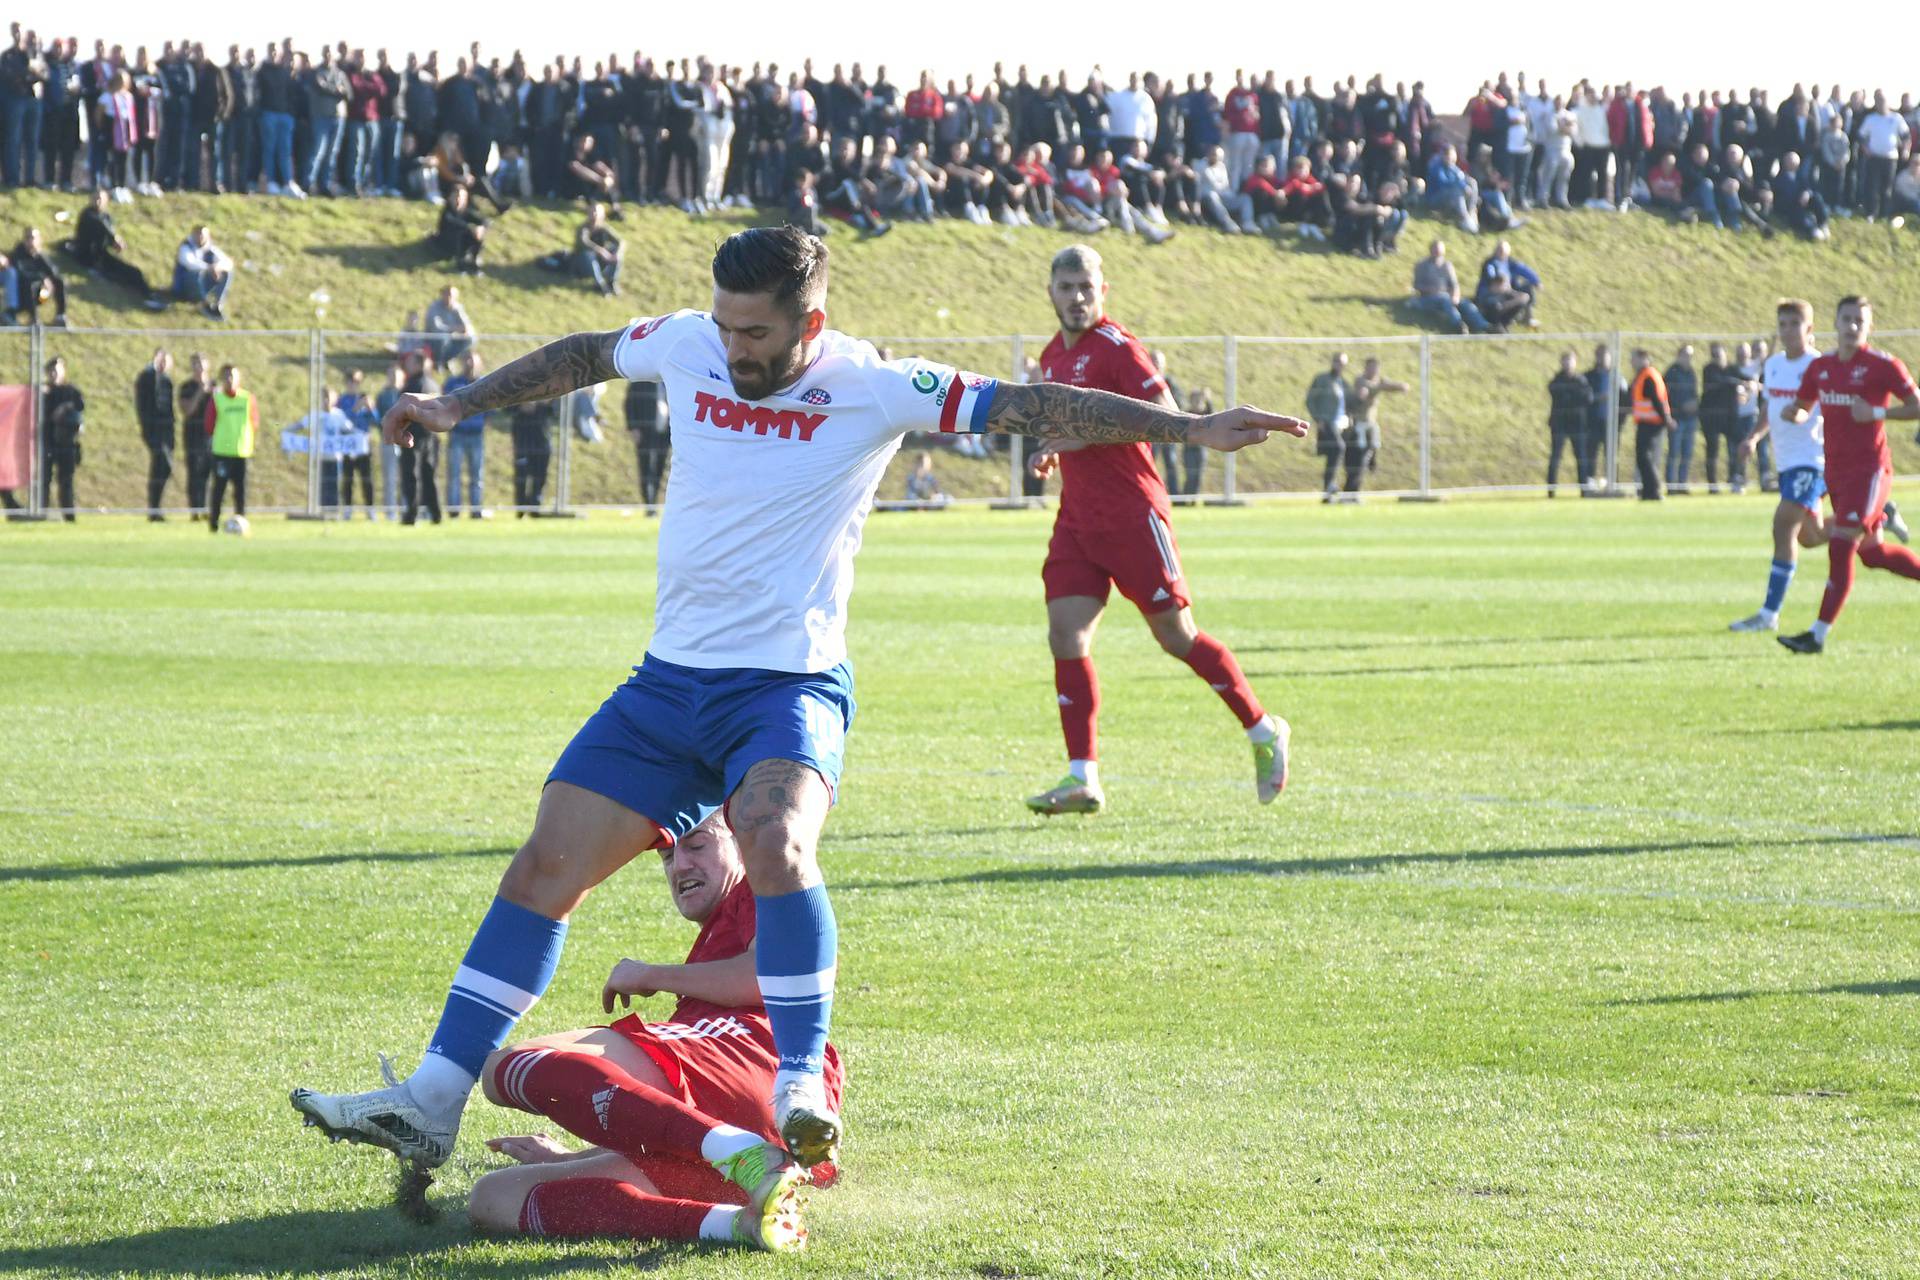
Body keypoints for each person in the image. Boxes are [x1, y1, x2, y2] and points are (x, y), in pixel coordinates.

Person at [290, 225, 1301, 1177]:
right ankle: (430, 1098)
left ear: (808, 323)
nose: (733, 347)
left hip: (785, 686)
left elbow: (1030, 403)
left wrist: (1186, 428)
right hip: (668, 681)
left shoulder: (870, 383)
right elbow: (587, 353)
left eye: (757, 331)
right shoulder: (689, 343)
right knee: (546, 862)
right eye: (725, 324)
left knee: (774, 837)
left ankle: (799, 1079)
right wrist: (457, 404)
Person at [468, 813, 827, 1253]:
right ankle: (737, 1223)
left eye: (696, 845)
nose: (680, 866)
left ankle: (744, 1155)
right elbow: (666, 1121)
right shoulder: (718, 932)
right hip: (745, 1121)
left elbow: (763, 976)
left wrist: (649, 974)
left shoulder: (761, 884)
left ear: (740, 845)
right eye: (666, 855)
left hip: (750, 1055)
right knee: (493, 1198)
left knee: (508, 1067)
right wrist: (574, 1159)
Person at [1024, 244, 1295, 815]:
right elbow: (1070, 429)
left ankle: (1264, 728)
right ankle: (1082, 778)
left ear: (1104, 292)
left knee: (1177, 637)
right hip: (1078, 520)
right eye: (1066, 287)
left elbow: (1168, 416)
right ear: (1050, 292)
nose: (1077, 298)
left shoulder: (1119, 348)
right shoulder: (1051, 356)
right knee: (1065, 637)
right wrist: (1055, 452)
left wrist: (1084, 438)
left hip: (1132, 516)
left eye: (1086, 288)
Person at [1777, 296, 1920, 654]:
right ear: (1836, 323)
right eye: (1847, 319)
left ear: (1869, 326)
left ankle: (1816, 635)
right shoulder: (1821, 368)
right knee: (1872, 555)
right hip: (1836, 472)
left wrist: (1875, 411)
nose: (1852, 326)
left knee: (1841, 544)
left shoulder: (1882, 366)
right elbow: (1804, 406)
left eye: (1859, 320)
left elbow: (1916, 405)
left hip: (1870, 472)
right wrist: (1793, 413)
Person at [62, 189, 169, 310]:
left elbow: (106, 235)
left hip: (101, 255)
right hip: (88, 257)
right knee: (117, 277)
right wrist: (115, 238)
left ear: (106, 201)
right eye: (95, 198)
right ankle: (147, 296)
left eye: (100, 199)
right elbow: (101, 226)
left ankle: (149, 294)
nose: (97, 202)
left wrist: (113, 243)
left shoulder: (106, 216)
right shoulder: (87, 214)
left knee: (134, 272)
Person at [203, 362, 257, 533]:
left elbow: (254, 422)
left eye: (232, 375)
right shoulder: (217, 399)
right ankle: (214, 524)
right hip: (222, 453)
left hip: (241, 452)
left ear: (238, 378)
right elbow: (209, 425)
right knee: (219, 490)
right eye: (226, 376)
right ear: (221, 379)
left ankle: (240, 523)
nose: (229, 379)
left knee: (241, 492)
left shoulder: (247, 398)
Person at [1345, 358, 1406, 498]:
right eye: (1370, 367)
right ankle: (1352, 491)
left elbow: (1387, 385)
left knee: (1372, 446)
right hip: (1358, 425)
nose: (1372, 370)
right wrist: (1391, 387)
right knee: (1358, 456)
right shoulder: (1360, 381)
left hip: (1371, 425)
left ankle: (1371, 460)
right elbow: (1369, 388)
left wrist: (1396, 386)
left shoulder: (1378, 381)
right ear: (1365, 368)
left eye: (1375, 368)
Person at [397, 349, 443, 525]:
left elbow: (403, 412)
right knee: (429, 475)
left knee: (411, 475)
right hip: (431, 435)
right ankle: (436, 512)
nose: (406, 365)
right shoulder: (433, 385)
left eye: (410, 362)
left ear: (418, 364)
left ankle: (411, 513)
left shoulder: (412, 386)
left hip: (412, 435)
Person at [442, 353, 489, 519]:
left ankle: (476, 509)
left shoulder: (485, 384)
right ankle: (454, 510)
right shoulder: (453, 383)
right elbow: (446, 404)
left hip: (476, 435)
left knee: (477, 475)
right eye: (468, 360)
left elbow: (492, 408)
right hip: (458, 434)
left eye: (473, 361)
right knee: (454, 474)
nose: (470, 364)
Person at [1408, 240, 1486, 335]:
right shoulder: (1422, 265)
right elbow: (1416, 286)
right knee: (1444, 298)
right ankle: (1459, 325)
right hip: (1427, 298)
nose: (1438, 254)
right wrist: (1430, 289)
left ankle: (1483, 325)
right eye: (1436, 251)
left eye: (1440, 252)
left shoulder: (1447, 266)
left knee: (1465, 304)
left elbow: (1455, 285)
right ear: (1431, 250)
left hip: (1446, 296)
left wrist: (1455, 297)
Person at [39, 357, 84, 521]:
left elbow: (80, 408)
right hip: (47, 440)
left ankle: (69, 515)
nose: (54, 374)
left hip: (66, 442)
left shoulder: (71, 391)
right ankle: (41, 512)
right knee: (44, 480)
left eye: (57, 370)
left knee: (66, 481)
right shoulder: (43, 392)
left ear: (63, 371)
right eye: (51, 371)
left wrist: (65, 408)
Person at [1627, 349, 1673, 500]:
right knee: (1644, 457)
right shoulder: (1646, 375)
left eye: (1633, 359)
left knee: (1644, 457)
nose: (1631, 362)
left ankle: (1654, 489)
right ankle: (1648, 492)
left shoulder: (1647, 376)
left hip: (1651, 422)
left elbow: (1656, 400)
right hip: (1649, 422)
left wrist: (1666, 419)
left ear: (1643, 358)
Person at [1546, 350, 1594, 495]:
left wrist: (1570, 394)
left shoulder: (1580, 380)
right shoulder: (1557, 380)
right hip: (1559, 423)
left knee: (1581, 457)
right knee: (1555, 456)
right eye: (1565, 360)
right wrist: (1572, 394)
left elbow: (1587, 398)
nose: (1567, 364)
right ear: (1561, 362)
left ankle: (1584, 490)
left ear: (1575, 362)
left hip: (1577, 423)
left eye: (1570, 360)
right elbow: (1554, 392)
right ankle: (1551, 490)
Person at [135, 349, 175, 520]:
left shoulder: (167, 381)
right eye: (160, 360)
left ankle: (155, 508)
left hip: (167, 431)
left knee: (164, 467)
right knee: (161, 462)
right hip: (153, 429)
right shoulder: (147, 378)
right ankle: (153, 509)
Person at [1699, 342, 1744, 493]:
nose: (1716, 357)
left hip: (1730, 416)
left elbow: (1747, 379)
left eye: (1718, 353)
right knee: (1712, 451)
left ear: (1725, 353)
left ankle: (1734, 479)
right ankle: (1712, 484)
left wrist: (1749, 384)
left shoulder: (1732, 369)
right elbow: (1719, 381)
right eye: (1714, 354)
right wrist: (1738, 383)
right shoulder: (1708, 369)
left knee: (1734, 449)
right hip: (1711, 416)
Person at [1306, 352, 1351, 502]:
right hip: (1327, 422)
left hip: (1342, 424)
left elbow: (1348, 402)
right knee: (1338, 448)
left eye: (1343, 363)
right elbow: (1310, 400)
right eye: (1338, 362)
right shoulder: (1322, 379)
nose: (1340, 365)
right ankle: (1329, 486)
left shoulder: (1343, 382)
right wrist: (1318, 418)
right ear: (1332, 362)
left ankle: (1332, 491)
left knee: (1336, 454)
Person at [337, 369, 379, 521]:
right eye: (352, 382)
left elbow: (375, 420)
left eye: (357, 382)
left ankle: (370, 509)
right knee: (348, 479)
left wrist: (370, 408)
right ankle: (347, 509)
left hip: (363, 445)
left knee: (366, 479)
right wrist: (356, 407)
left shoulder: (365, 399)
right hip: (348, 444)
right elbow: (343, 419)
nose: (355, 385)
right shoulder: (342, 400)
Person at [8, 228, 67, 327]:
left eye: (33, 238)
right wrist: (43, 279)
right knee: (31, 285)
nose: (31, 241)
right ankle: (33, 319)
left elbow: (53, 272)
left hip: (41, 297)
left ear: (39, 240)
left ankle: (60, 316)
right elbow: (21, 274)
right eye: (28, 238)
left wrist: (48, 281)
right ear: (24, 240)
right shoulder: (18, 254)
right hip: (23, 295)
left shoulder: (38, 255)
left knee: (59, 281)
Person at [172, 224, 232, 320]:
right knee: (197, 273)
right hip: (183, 287)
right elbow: (190, 263)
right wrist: (209, 268)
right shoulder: (186, 247)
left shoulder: (210, 249)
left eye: (203, 235)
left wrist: (216, 267)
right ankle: (203, 305)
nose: (200, 237)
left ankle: (217, 304)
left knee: (226, 273)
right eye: (198, 234)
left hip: (202, 285)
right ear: (193, 235)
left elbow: (227, 263)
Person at [178, 352, 213, 517]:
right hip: (193, 435)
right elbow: (187, 410)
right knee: (194, 474)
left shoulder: (215, 386)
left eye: (200, 363)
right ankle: (195, 510)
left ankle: (207, 508)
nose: (198, 367)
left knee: (209, 474)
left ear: (207, 365)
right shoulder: (187, 387)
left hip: (212, 436)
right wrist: (200, 392)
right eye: (194, 364)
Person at [626, 376, 668, 510]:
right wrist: (633, 427)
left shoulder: (670, 382)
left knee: (660, 468)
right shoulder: (641, 379)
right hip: (645, 431)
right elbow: (629, 403)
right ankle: (649, 504)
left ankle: (654, 501)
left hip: (665, 433)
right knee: (646, 468)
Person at [508, 397, 556, 516]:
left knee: (539, 478)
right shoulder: (517, 383)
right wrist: (521, 404)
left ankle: (535, 508)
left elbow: (554, 408)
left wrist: (540, 403)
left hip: (541, 443)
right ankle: (521, 509)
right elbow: (506, 408)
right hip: (522, 443)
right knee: (521, 478)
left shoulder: (546, 383)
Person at [1664, 345, 1700, 493]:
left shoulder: (1691, 372)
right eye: (1686, 355)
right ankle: (1671, 486)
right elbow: (1667, 394)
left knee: (1687, 453)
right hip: (1677, 418)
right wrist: (1681, 406)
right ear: (1679, 355)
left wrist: (1694, 403)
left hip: (1690, 418)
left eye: (1690, 356)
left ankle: (1682, 484)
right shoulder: (1671, 372)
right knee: (1674, 452)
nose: (1688, 358)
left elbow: (1694, 392)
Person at [434, 184, 487, 275]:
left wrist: (481, 227)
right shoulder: (447, 212)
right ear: (450, 197)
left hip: (462, 241)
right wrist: (471, 228)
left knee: (477, 235)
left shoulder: (465, 211)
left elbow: (483, 220)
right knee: (461, 233)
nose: (458, 200)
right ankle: (461, 264)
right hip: (446, 241)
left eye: (461, 197)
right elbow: (456, 224)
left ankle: (474, 259)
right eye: (456, 197)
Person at [574, 203, 623, 297]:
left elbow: (620, 241)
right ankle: (599, 283)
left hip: (599, 262)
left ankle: (611, 282)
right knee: (588, 254)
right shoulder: (583, 228)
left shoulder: (603, 228)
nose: (594, 214)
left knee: (615, 250)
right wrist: (600, 250)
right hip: (582, 264)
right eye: (592, 211)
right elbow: (584, 242)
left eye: (596, 212)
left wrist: (617, 253)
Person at [424, 284, 475, 369]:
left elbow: (467, 325)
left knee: (470, 338)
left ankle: (448, 360)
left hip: (453, 338)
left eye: (453, 296)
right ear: (443, 294)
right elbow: (436, 328)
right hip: (434, 339)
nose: (450, 298)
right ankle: (438, 363)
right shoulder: (434, 307)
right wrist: (453, 329)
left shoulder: (457, 307)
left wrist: (465, 329)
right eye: (448, 295)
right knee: (443, 337)